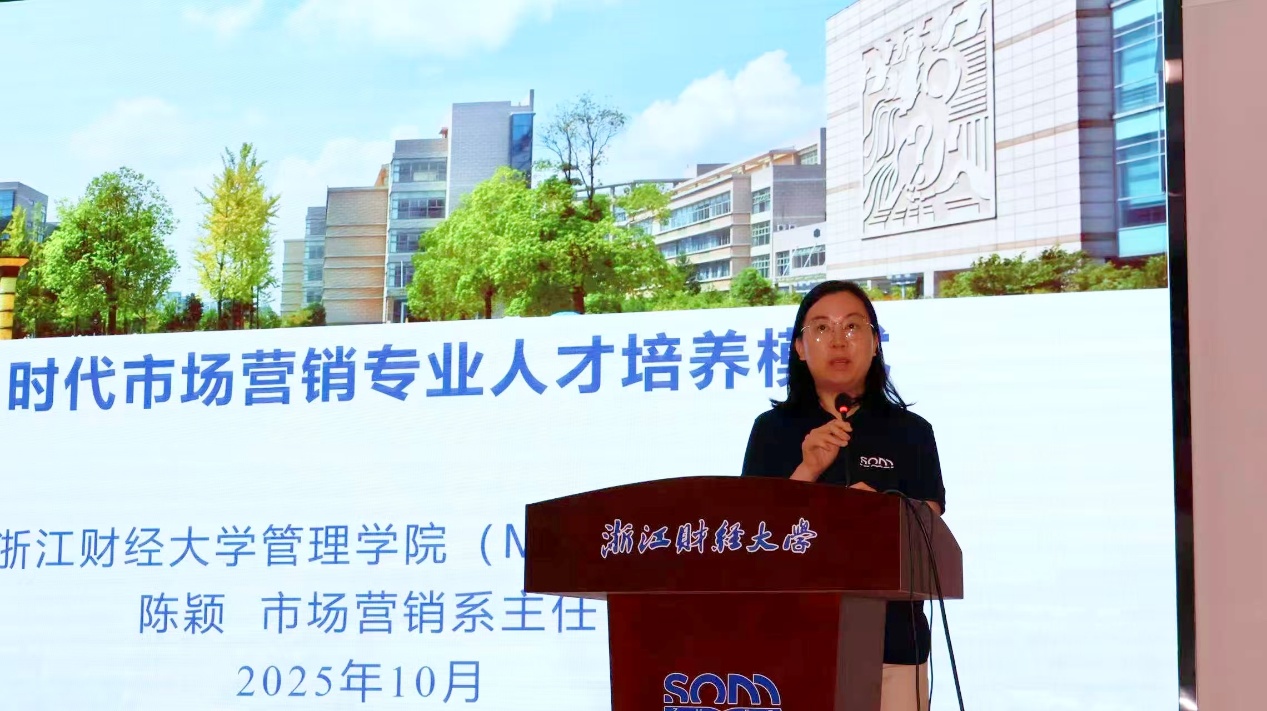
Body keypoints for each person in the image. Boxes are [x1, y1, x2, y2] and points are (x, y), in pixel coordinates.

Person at [740, 280, 946, 711]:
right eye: (821, 328)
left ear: (875, 342)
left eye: (852, 327)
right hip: (793, 644)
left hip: (893, 645)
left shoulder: (912, 432)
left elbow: (928, 530)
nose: (838, 340)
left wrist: (881, 513)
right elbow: (754, 538)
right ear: (800, 348)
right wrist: (807, 471)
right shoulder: (771, 430)